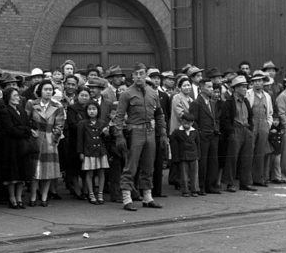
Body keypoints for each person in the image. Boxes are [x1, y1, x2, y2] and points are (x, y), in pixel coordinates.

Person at [114, 63, 168, 211]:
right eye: (136, 73)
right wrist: (119, 136)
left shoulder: (152, 93)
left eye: (141, 73)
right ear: (132, 76)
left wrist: (163, 133)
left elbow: (159, 114)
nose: (139, 76)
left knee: (148, 166)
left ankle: (147, 197)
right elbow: (118, 117)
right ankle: (126, 198)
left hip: (150, 132)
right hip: (134, 132)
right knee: (131, 166)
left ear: (145, 75)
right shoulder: (127, 94)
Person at [25, 80, 65, 206]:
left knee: (48, 170)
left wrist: (54, 136)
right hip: (35, 137)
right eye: (45, 89)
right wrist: (31, 131)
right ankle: (32, 196)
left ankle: (44, 196)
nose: (48, 92)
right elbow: (26, 120)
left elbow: (60, 124)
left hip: (49, 139)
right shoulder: (31, 103)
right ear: (40, 91)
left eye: (50, 89)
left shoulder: (57, 106)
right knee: (34, 169)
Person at [220, 75, 256, 192]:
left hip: (246, 130)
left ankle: (245, 183)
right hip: (235, 130)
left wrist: (250, 129)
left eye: (245, 87)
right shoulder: (229, 102)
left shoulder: (245, 101)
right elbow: (224, 119)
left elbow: (250, 116)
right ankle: (229, 183)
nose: (245, 89)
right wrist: (231, 132)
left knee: (247, 158)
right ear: (235, 88)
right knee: (232, 158)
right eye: (242, 87)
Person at [0, 86, 30, 208]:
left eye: (18, 95)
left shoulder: (22, 110)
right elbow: (10, 129)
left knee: (22, 173)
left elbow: (27, 126)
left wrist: (23, 130)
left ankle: (19, 197)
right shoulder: (5, 111)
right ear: (8, 97)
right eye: (15, 95)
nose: (18, 98)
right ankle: (12, 198)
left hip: (22, 145)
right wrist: (23, 130)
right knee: (12, 174)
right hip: (11, 146)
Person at [189, 77, 221, 194]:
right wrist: (200, 133)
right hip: (203, 136)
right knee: (203, 162)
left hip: (213, 135)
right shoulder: (196, 103)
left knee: (213, 161)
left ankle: (211, 186)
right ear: (201, 88)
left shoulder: (212, 103)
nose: (211, 89)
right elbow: (193, 121)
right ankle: (201, 187)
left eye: (212, 87)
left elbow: (216, 118)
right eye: (208, 87)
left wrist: (216, 129)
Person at [77, 101, 109, 204]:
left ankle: (100, 194)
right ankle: (91, 194)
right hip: (88, 151)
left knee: (101, 172)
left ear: (98, 110)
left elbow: (107, 139)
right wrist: (80, 152)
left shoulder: (102, 122)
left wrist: (106, 133)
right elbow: (80, 139)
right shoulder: (82, 123)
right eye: (89, 109)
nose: (92, 111)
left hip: (100, 151)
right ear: (86, 111)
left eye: (94, 109)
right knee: (89, 172)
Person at [246, 71, 273, 187]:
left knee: (261, 152)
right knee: (250, 151)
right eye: (255, 81)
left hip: (263, 125)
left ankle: (259, 178)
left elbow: (270, 112)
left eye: (260, 81)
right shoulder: (248, 94)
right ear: (252, 83)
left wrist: (268, 124)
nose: (257, 83)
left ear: (263, 82)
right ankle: (248, 179)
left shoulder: (267, 96)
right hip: (252, 125)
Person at [170, 112, 200, 197]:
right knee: (184, 175)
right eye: (185, 122)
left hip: (194, 155)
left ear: (192, 123)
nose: (187, 124)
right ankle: (185, 190)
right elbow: (174, 145)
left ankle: (194, 189)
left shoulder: (195, 132)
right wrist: (175, 157)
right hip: (183, 156)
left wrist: (198, 155)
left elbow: (198, 144)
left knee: (194, 174)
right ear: (181, 121)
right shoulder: (177, 132)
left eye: (189, 123)